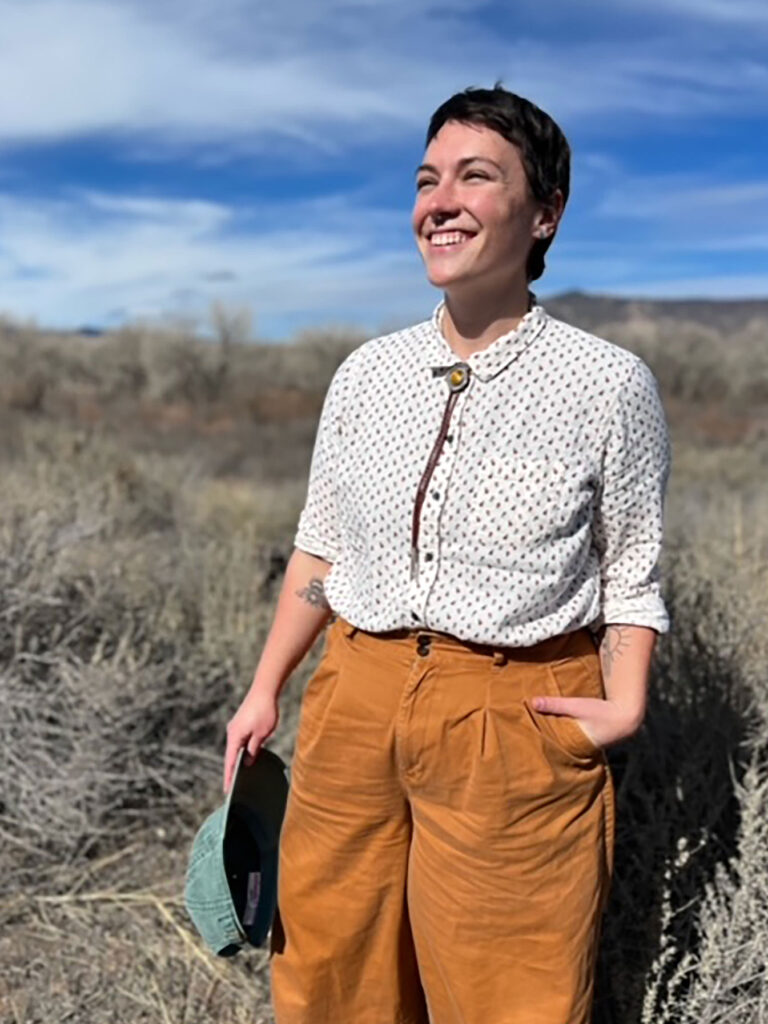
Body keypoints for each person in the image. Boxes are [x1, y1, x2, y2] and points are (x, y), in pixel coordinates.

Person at [223, 82, 671, 1024]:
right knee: (332, 975)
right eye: (428, 179)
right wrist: (267, 686)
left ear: (544, 213)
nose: (441, 200)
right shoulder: (366, 373)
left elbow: (630, 572)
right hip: (355, 702)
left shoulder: (607, 383)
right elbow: (322, 545)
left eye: (476, 176)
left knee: (509, 994)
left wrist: (621, 706)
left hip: (512, 717)